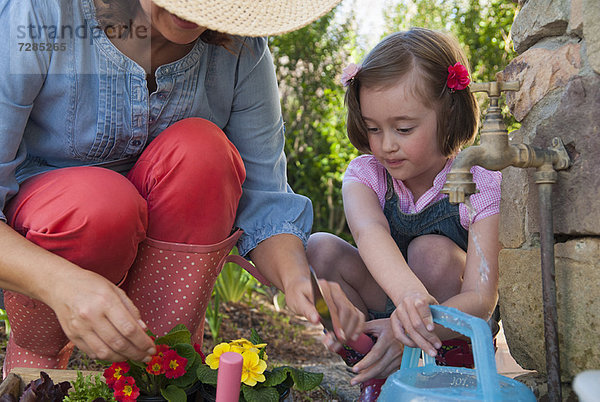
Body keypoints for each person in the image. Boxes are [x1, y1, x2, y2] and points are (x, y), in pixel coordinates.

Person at [0, 0, 366, 377]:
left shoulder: (243, 49)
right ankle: (36, 358)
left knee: (204, 152)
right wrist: (61, 284)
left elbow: (266, 201)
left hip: (164, 240)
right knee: (101, 205)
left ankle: (161, 366)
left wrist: (299, 281)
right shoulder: (43, 14)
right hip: (54, 226)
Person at [307, 27, 502, 401]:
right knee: (320, 249)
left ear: (449, 113)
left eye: (404, 128)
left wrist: (412, 324)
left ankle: (437, 369)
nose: (386, 145)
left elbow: (480, 300)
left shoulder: (479, 181)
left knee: (430, 251)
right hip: (393, 310)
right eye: (373, 129)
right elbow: (369, 233)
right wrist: (408, 300)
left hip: (453, 332)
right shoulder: (367, 174)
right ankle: (373, 360)